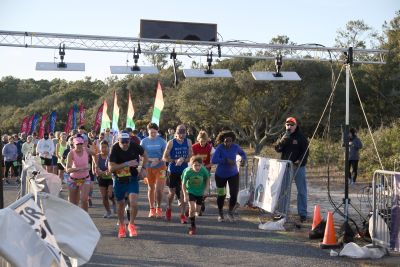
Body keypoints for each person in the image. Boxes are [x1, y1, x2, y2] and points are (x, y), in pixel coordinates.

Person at [108, 132, 144, 238]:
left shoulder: (134, 145)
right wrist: (126, 164)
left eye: (126, 141)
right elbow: (111, 168)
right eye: (122, 142)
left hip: (132, 178)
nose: (124, 144)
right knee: (121, 204)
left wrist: (144, 169)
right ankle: (122, 226)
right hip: (119, 179)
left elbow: (145, 155)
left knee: (134, 203)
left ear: (129, 140)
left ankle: (131, 224)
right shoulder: (114, 149)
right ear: (118, 141)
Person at [274, 117, 309, 223]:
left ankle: (302, 214)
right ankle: (282, 212)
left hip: (298, 167)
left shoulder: (301, 137)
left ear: (296, 125)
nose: (289, 126)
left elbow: (306, 151)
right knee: (283, 190)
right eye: (287, 124)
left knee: (302, 191)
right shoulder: (283, 135)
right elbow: (277, 148)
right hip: (286, 166)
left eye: (291, 125)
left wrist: (299, 160)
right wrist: (285, 138)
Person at [211, 130, 247, 222]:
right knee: (221, 195)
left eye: (230, 141)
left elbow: (243, 153)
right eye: (226, 141)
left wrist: (243, 159)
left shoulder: (235, 147)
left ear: (233, 140)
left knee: (234, 194)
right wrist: (226, 160)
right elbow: (214, 160)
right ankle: (220, 213)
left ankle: (230, 212)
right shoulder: (220, 148)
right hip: (220, 175)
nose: (228, 143)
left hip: (233, 174)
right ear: (223, 140)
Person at [162, 124, 193, 223]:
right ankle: (169, 208)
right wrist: (175, 160)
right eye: (180, 131)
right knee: (171, 193)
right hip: (173, 171)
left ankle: (182, 215)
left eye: (183, 131)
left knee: (183, 193)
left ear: (186, 132)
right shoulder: (171, 143)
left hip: (184, 171)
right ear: (176, 132)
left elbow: (191, 157)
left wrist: (184, 159)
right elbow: (164, 157)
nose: (181, 134)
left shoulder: (188, 142)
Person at [140, 123, 167, 218]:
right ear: (148, 131)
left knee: (159, 190)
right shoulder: (143, 142)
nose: (153, 134)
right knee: (151, 188)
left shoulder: (162, 141)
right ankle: (151, 209)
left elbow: (166, 155)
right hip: (149, 167)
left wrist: (159, 160)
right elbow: (141, 156)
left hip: (161, 167)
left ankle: (158, 208)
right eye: (151, 132)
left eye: (155, 132)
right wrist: (151, 160)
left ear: (157, 131)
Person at [182, 156, 210, 235]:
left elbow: (207, 179)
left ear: (201, 165)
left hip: (200, 192)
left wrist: (206, 189)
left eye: (199, 165)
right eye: (195, 165)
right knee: (192, 208)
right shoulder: (188, 172)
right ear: (191, 165)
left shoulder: (203, 170)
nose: (197, 167)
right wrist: (185, 195)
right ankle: (193, 226)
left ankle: (189, 210)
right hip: (191, 190)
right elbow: (183, 184)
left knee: (197, 210)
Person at [65, 136, 93, 212]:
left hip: (85, 179)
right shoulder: (71, 153)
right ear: (74, 144)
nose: (80, 145)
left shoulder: (86, 150)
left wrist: (94, 165)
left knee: (84, 199)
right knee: (73, 203)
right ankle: (75, 219)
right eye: (78, 144)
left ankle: (85, 218)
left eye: (81, 143)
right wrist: (78, 169)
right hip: (73, 180)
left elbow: (96, 154)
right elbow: (68, 169)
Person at [192, 130, 214, 215]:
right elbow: (191, 160)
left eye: (204, 141)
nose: (202, 143)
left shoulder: (210, 147)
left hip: (206, 169)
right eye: (200, 141)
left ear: (207, 140)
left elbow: (213, 161)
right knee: (197, 186)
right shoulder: (194, 147)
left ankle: (201, 202)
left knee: (204, 187)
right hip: (195, 170)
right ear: (198, 140)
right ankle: (198, 204)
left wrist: (206, 166)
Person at [93, 140, 116, 218]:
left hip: (110, 178)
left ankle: (114, 202)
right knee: (104, 196)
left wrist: (108, 171)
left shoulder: (111, 156)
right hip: (101, 178)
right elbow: (96, 169)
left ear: (108, 148)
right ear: (100, 147)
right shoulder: (97, 156)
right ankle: (108, 211)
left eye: (105, 147)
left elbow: (112, 168)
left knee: (110, 194)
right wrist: (99, 171)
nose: (104, 149)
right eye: (102, 147)